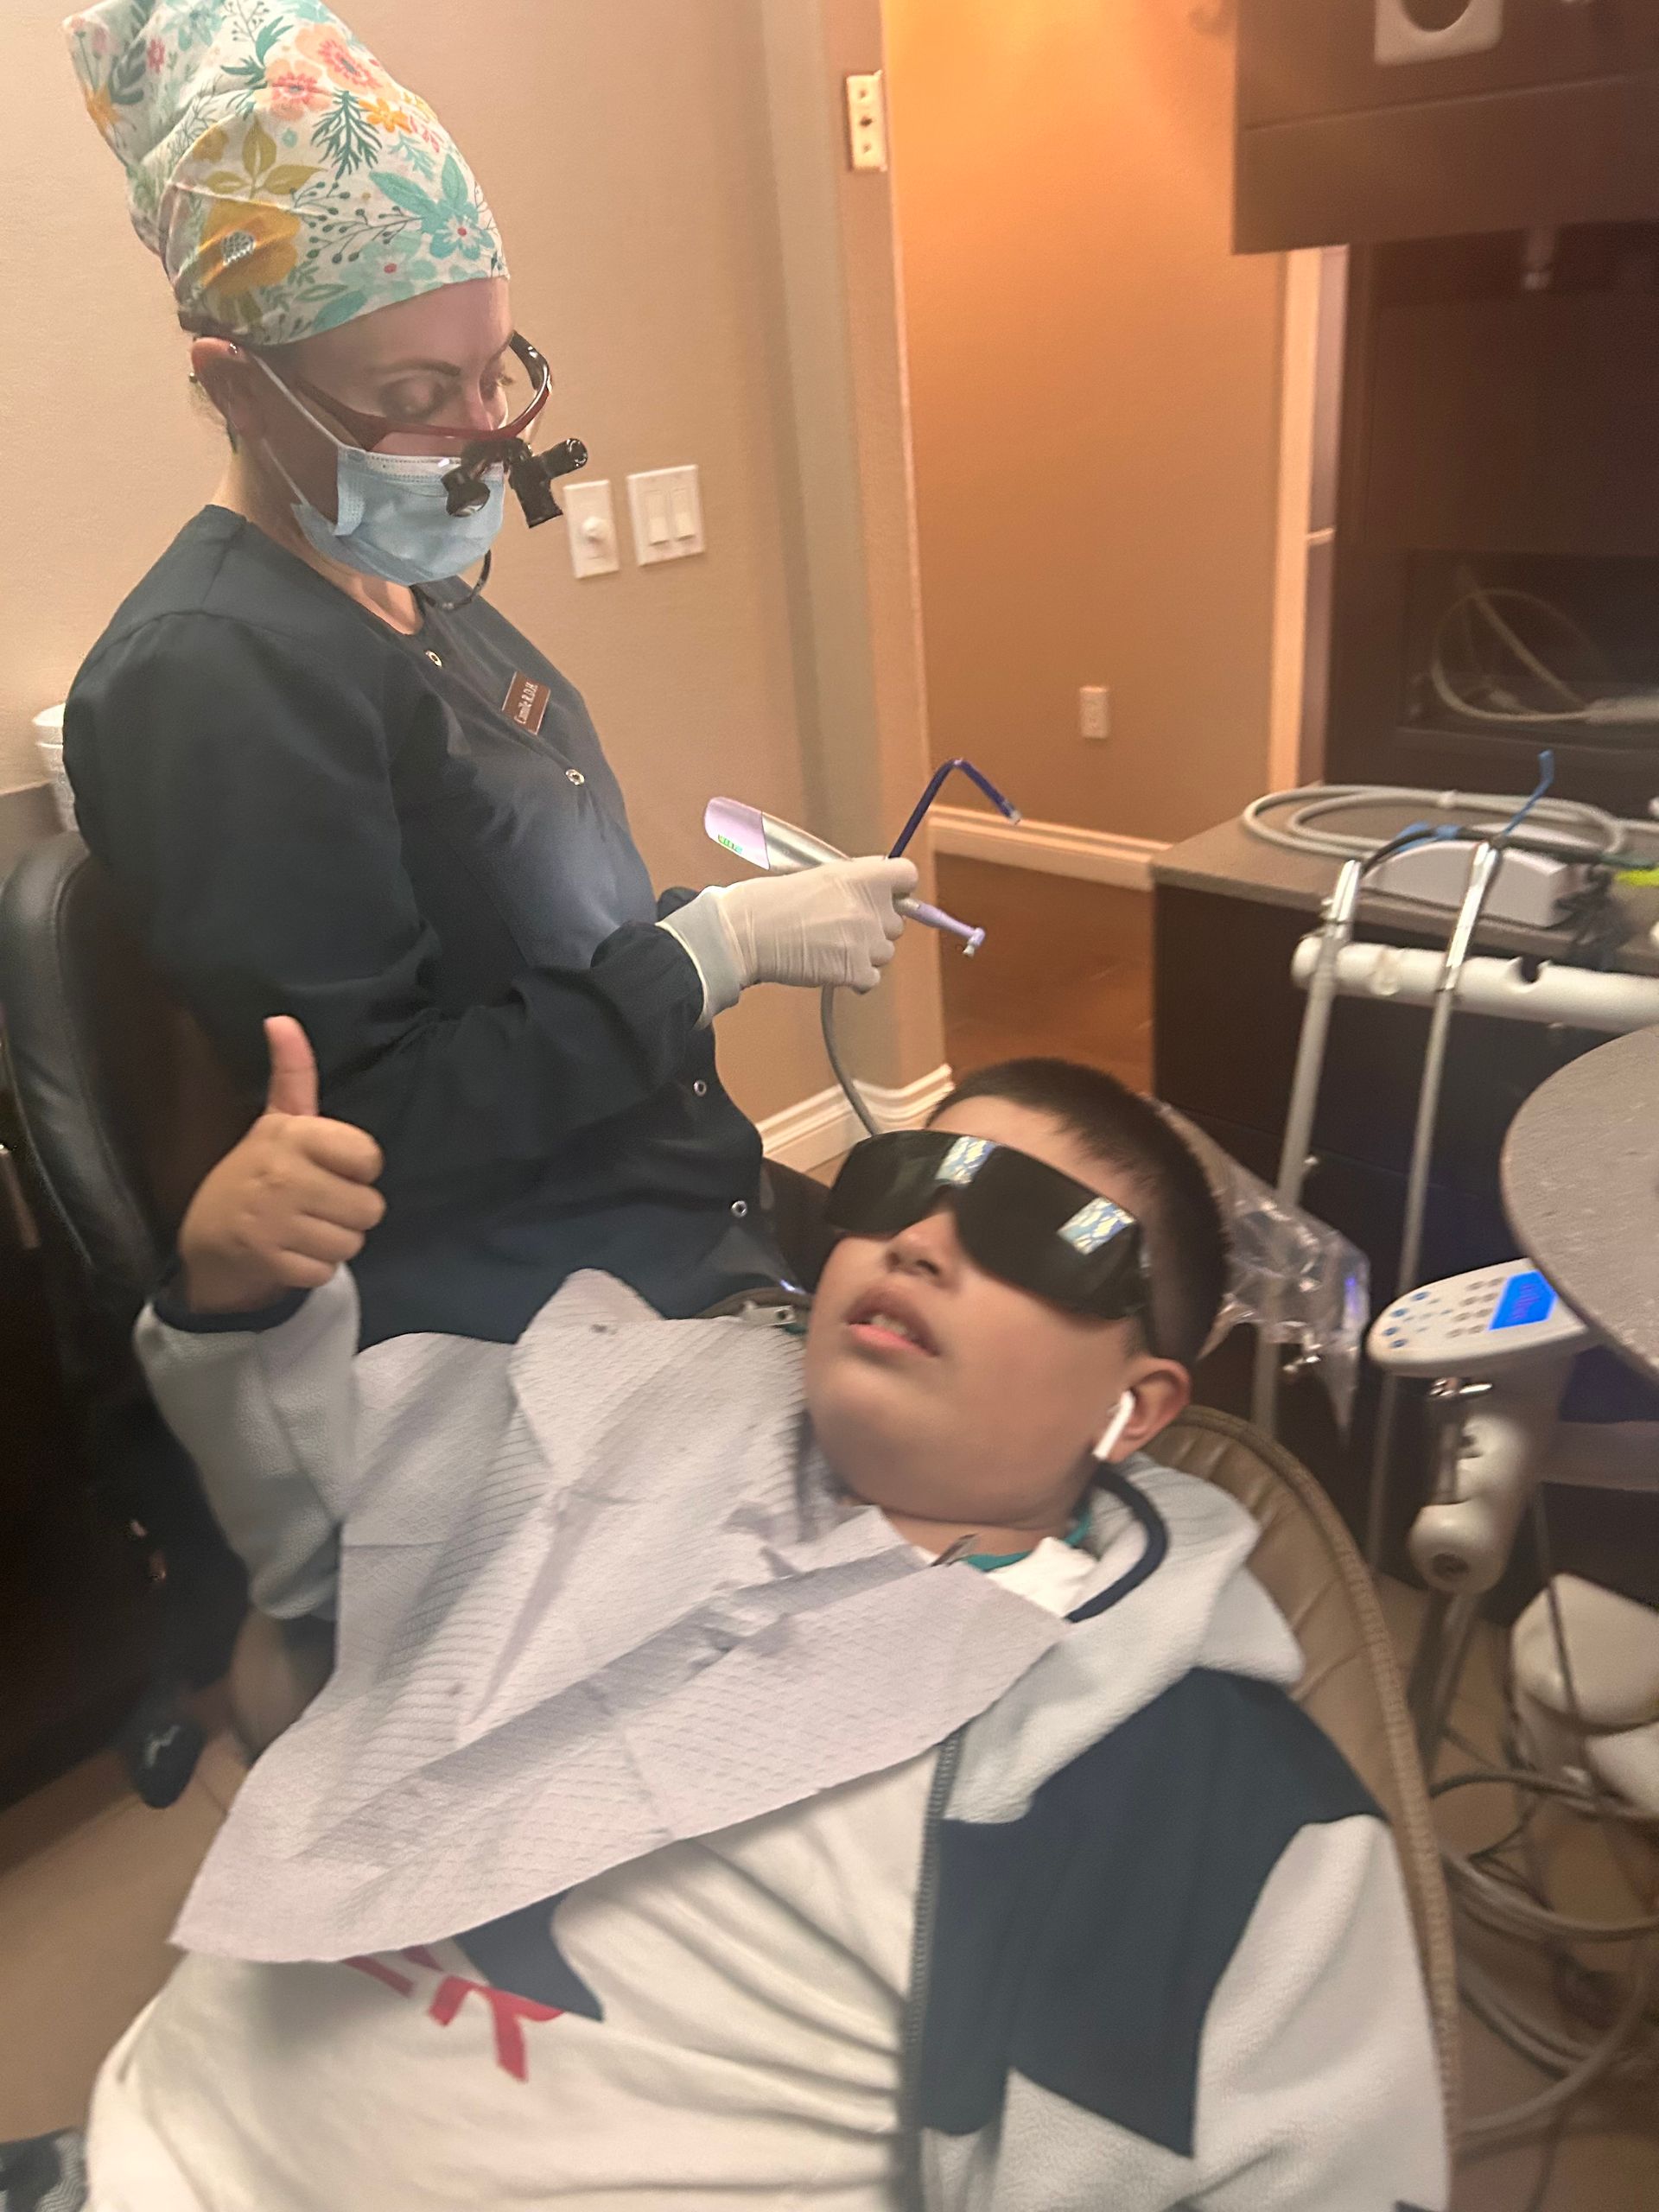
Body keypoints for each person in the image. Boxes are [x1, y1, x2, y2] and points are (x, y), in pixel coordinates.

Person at [70, 1039, 1448, 2212]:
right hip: (134, 2135)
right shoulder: (617, 1405)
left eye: (1043, 1234)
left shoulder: (1195, 1797)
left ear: (1136, 1410)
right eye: (906, 1180)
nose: (924, 1237)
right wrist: (244, 1298)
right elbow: (327, 1542)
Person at [61, 0, 915, 1346]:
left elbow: (512, 948)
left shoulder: (419, 593)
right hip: (518, 1321)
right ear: (235, 388)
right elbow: (372, 1130)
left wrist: (731, 922)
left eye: (495, 371)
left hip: (664, 1211)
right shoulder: (211, 681)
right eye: (412, 397)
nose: (479, 439)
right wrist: (709, 957)